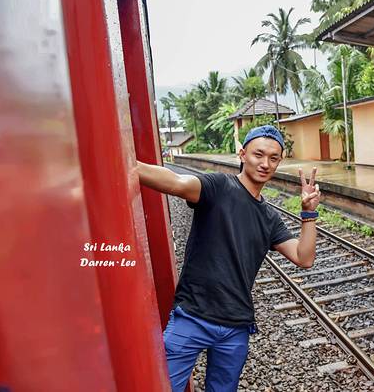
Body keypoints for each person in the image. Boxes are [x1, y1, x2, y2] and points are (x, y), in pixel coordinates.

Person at [137, 125, 321, 392]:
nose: (265, 163)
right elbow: (177, 183)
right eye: (258, 154)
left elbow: (304, 258)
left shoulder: (270, 218)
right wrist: (129, 165)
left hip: (236, 327)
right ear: (242, 154)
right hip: (192, 317)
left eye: (273, 158)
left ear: (279, 162)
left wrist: (309, 214)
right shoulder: (219, 186)